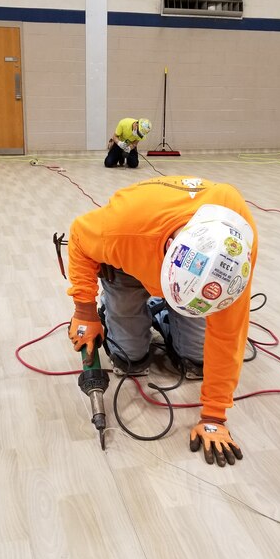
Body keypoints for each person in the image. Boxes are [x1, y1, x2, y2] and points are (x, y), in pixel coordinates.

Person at [66, 174, 258, 468]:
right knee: (129, 359)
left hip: (180, 278)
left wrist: (213, 417)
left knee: (197, 361)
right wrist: (85, 311)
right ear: (169, 247)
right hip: (130, 262)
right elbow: (78, 235)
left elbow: (228, 334)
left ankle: (165, 309)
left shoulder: (235, 249)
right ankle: (120, 303)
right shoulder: (121, 230)